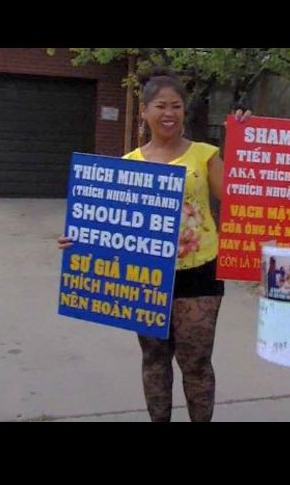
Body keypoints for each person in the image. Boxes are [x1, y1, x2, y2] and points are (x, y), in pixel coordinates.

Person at [58, 67, 251, 422]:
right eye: (161, 106)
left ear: (184, 111)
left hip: (200, 271)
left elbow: (237, 198)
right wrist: (80, 241)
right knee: (154, 358)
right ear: (144, 111)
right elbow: (111, 224)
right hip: (144, 276)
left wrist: (246, 140)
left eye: (176, 106)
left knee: (196, 363)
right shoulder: (128, 165)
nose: (169, 113)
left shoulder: (205, 155)